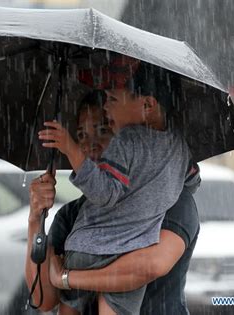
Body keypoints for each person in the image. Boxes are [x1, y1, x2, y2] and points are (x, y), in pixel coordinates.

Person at [34, 60, 196, 314]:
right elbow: (43, 299)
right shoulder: (72, 215)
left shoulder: (175, 203)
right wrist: (35, 219)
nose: (91, 146)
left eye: (104, 128)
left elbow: (150, 266)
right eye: (81, 136)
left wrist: (67, 277)